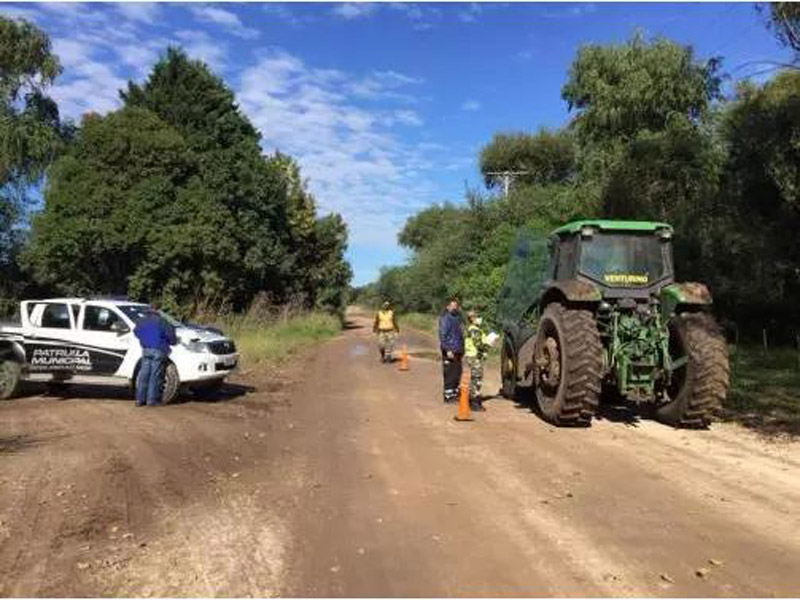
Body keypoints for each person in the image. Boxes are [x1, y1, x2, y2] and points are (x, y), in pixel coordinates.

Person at [133, 304, 177, 406]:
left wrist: (144, 338)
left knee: (144, 375)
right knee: (155, 375)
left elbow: (136, 332)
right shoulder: (162, 321)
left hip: (146, 350)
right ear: (158, 310)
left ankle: (139, 400)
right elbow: (172, 337)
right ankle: (152, 400)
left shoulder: (142, 320)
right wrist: (171, 342)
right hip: (159, 349)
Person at [438, 297, 464, 404]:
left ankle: (454, 394)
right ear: (447, 307)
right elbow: (443, 335)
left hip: (458, 350)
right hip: (449, 350)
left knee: (457, 372)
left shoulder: (457, 318)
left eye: (456, 306)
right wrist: (447, 349)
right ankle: (448, 396)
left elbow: (460, 335)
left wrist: (463, 350)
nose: (454, 308)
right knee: (449, 373)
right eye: (452, 306)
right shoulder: (445, 319)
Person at [465, 310, 491, 412]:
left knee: (475, 378)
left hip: (474, 356)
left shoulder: (476, 329)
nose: (479, 319)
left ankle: (473, 400)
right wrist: (489, 344)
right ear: (472, 318)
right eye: (477, 317)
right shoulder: (474, 330)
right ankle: (474, 403)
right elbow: (478, 344)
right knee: (476, 379)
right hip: (474, 357)